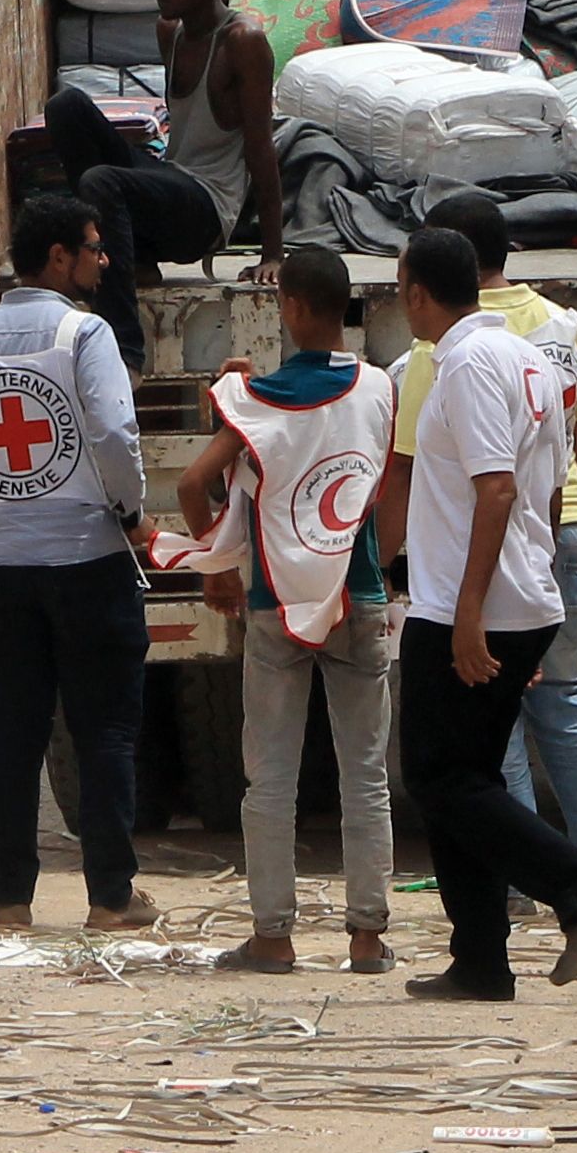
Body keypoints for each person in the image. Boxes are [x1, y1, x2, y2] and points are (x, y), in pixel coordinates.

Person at [387, 227, 577, 1001]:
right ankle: (481, 959)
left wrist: (466, 613)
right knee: (459, 776)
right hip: (521, 589)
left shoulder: (461, 363)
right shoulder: (530, 356)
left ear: (417, 291)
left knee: (440, 776)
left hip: (477, 599)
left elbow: (495, 488)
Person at [0, 191, 160, 932]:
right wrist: (130, 510)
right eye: (93, 246)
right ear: (59, 257)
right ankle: (112, 898)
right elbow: (115, 433)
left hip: (1, 567)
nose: (103, 258)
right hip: (89, 557)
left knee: (13, 736)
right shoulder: (86, 334)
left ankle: (10, 895)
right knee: (106, 732)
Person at [177, 245, 397, 975]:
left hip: (275, 601)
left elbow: (193, 481)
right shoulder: (377, 389)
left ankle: (273, 933)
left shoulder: (255, 399)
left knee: (270, 778)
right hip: (356, 594)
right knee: (364, 772)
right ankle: (367, 934)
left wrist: (217, 563)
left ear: (291, 309)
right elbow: (383, 495)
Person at [39, 0, 285, 368]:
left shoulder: (241, 43)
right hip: (170, 182)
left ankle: (125, 350)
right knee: (66, 107)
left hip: (206, 209)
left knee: (102, 181)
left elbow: (261, 148)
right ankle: (134, 258)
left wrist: (273, 253)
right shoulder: (168, 32)